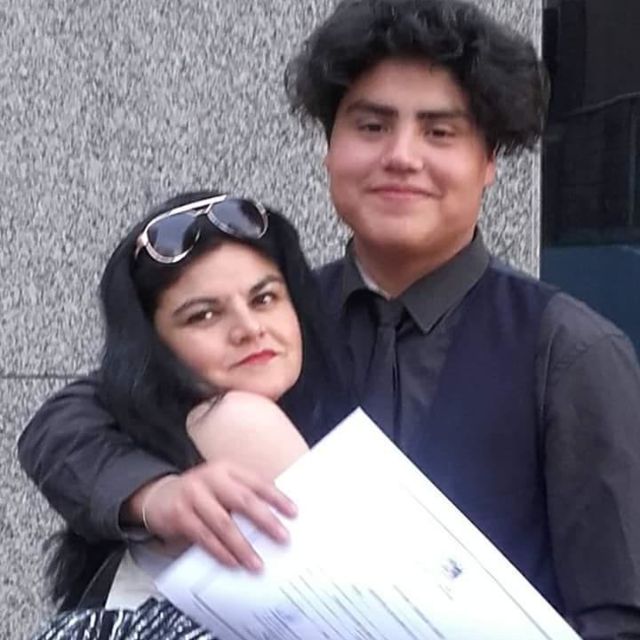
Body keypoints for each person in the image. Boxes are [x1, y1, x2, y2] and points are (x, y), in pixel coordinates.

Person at [19, 1, 640, 638]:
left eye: (439, 132)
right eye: (371, 126)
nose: (401, 156)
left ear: (489, 161)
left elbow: (616, 612)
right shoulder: (277, 322)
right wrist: (154, 496)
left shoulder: (567, 349)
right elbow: (66, 423)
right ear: (330, 148)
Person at [40, 190, 350, 613]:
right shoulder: (234, 419)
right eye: (204, 315)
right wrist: (154, 496)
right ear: (153, 345)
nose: (249, 328)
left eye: (264, 298)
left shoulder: (317, 397)